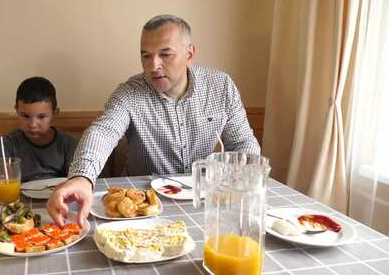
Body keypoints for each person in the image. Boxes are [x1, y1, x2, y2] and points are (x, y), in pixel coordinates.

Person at [47, 14, 260, 227]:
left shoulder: (220, 86)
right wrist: (82, 177)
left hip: (203, 203)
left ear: (189, 53)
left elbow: (243, 143)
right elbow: (103, 132)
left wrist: (240, 179)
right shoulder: (130, 92)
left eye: (165, 54)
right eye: (146, 56)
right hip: (141, 209)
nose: (153, 65)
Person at [0, 76, 78, 182]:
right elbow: (5, 182)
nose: (33, 125)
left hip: (58, 196)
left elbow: (75, 181)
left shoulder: (69, 144)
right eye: (25, 116)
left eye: (41, 117)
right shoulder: (7, 144)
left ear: (54, 114)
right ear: (16, 110)